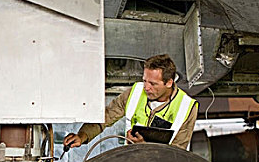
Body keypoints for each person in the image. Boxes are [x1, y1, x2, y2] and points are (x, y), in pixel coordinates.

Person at [64, 54, 198, 150]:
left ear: (169, 83)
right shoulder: (135, 92)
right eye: (145, 80)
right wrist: (82, 135)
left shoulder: (187, 107)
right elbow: (106, 116)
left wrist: (145, 147)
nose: (146, 87)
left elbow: (178, 152)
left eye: (153, 83)